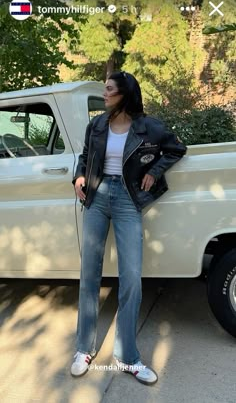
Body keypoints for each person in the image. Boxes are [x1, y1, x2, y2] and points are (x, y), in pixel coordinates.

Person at [71, 71, 187, 385]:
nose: (104, 94)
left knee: (132, 277)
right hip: (96, 198)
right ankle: (84, 348)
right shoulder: (96, 125)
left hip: (127, 198)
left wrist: (155, 171)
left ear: (124, 94)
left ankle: (128, 357)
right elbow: (85, 158)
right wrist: (79, 177)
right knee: (89, 275)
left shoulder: (149, 127)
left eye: (109, 90)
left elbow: (176, 149)